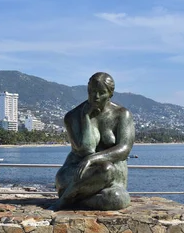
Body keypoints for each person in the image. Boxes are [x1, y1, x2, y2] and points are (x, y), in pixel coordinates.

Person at [53, 72, 135, 210]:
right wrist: (86, 117)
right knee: (106, 169)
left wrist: (92, 159)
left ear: (110, 94)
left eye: (101, 92)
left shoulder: (121, 115)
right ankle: (69, 196)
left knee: (117, 198)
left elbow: (124, 149)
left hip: (111, 179)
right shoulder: (72, 117)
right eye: (92, 91)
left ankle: (73, 199)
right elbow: (86, 149)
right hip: (76, 173)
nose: (95, 97)